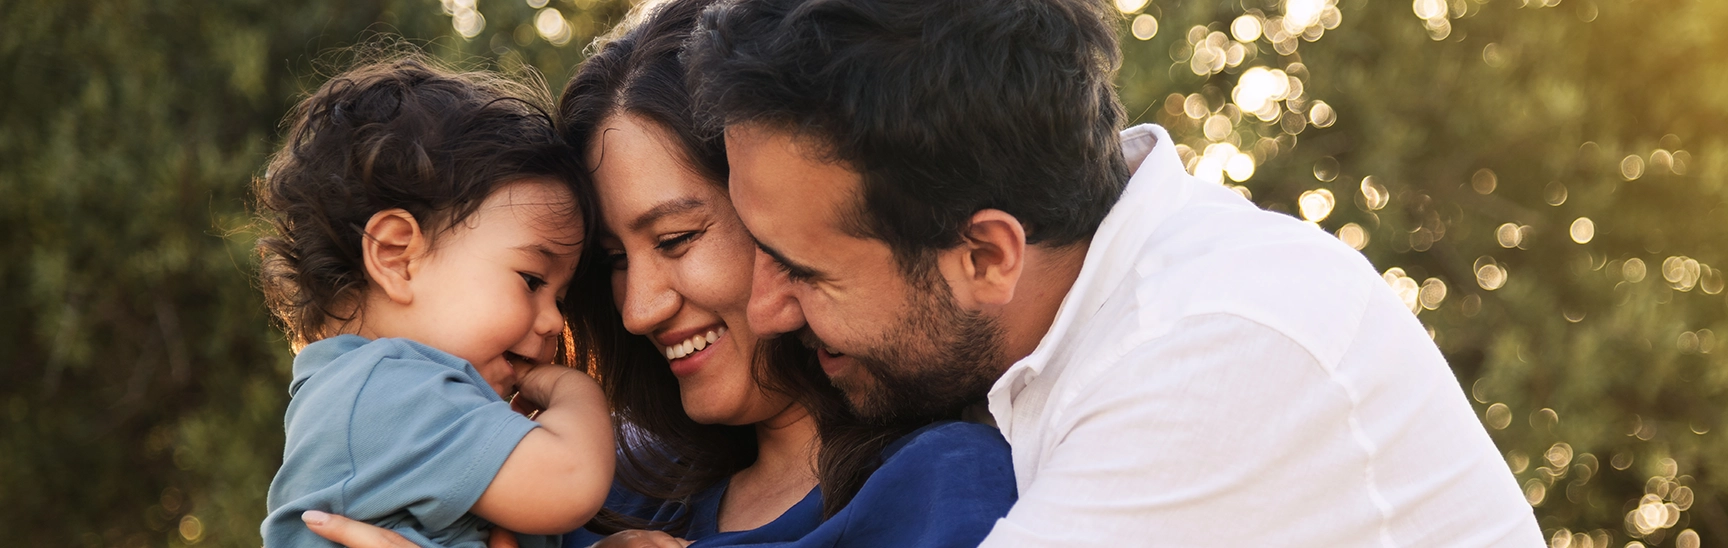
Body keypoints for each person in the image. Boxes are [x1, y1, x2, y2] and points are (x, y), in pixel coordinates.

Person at [685, 0, 1549, 545]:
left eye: (803, 270)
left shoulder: (1207, 351)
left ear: (987, 255)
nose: (765, 310)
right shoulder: (1099, 303)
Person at [298, 2, 1018, 547]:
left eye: (675, 238)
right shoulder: (605, 489)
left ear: (785, 214)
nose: (637, 309)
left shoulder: (943, 488)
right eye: (613, 262)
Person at [254, 55, 614, 547]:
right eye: (532, 280)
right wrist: (580, 394)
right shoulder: (386, 391)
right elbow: (569, 481)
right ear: (397, 257)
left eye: (562, 297)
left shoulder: (393, 399)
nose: (554, 321)